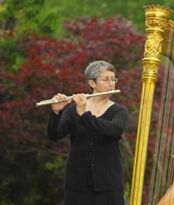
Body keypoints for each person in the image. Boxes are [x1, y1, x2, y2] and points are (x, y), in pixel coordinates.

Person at [47, 60, 129, 205]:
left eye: (113, 79)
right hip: (78, 183)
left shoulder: (119, 111)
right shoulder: (73, 110)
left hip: (108, 183)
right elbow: (55, 135)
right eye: (106, 79)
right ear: (92, 83)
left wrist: (84, 114)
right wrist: (56, 112)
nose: (112, 83)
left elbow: (113, 130)